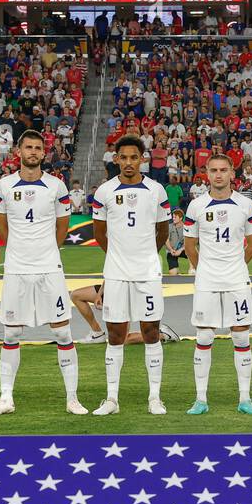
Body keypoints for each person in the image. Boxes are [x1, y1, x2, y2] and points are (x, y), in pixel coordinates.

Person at [0, 130, 83, 416]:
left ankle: (72, 399)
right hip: (17, 269)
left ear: (44, 153)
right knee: (12, 332)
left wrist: (45, 252)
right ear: (19, 151)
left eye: (38, 148)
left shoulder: (57, 186)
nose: (33, 152)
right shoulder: (2, 187)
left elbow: (62, 227)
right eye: (28, 147)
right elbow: (2, 227)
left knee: (63, 332)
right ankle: (6, 398)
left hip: (49, 268)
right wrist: (21, 251)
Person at [91, 134, 172, 415]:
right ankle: (112, 399)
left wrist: (147, 254)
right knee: (115, 334)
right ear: (116, 159)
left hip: (147, 273)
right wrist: (118, 257)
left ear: (142, 160)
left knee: (151, 331)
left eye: (133, 157)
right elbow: (99, 233)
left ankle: (154, 398)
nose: (128, 163)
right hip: (115, 274)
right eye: (123, 157)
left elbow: (162, 231)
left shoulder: (156, 190)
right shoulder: (104, 192)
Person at [182, 153, 252, 415]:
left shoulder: (245, 205)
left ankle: (245, 398)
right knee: (204, 335)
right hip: (207, 279)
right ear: (206, 173)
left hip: (237, 278)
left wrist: (237, 265)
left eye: (223, 170)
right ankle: (201, 399)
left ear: (232, 173)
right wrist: (205, 267)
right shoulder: (196, 206)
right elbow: (190, 246)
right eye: (213, 170)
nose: (218, 175)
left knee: (240, 335)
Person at [164, 208, 188, 273]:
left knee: (192, 252)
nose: (173, 218)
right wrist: (171, 250)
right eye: (173, 217)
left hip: (183, 250)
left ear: (180, 218)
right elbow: (166, 240)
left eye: (175, 217)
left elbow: (189, 242)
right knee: (173, 273)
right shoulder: (169, 226)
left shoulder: (186, 227)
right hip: (172, 252)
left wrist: (180, 250)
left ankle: (192, 270)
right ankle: (177, 272)